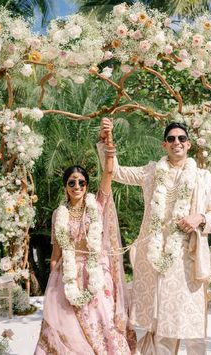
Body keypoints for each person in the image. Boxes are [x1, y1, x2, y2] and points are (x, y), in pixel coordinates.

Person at [98, 118, 211, 355]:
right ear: (164, 145)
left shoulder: (203, 178)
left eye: (181, 139)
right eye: (171, 139)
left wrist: (198, 218)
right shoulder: (151, 172)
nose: (176, 142)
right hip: (155, 259)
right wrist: (106, 141)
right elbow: (115, 171)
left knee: (192, 326)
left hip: (187, 260)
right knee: (162, 327)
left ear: (189, 145)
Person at [34, 131, 137, 354]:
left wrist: (107, 141)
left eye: (81, 182)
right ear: (65, 186)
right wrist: (53, 288)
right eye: (72, 182)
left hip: (96, 274)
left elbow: (109, 171)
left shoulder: (97, 206)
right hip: (67, 276)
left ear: (87, 186)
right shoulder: (58, 214)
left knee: (104, 323)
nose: (77, 186)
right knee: (68, 330)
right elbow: (55, 256)